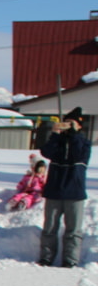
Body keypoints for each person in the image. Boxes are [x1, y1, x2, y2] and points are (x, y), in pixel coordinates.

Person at [38, 107, 91, 268]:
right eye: (66, 123)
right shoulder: (58, 142)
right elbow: (46, 152)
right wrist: (54, 134)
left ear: (79, 126)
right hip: (54, 190)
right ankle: (46, 257)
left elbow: (79, 154)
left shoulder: (83, 142)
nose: (68, 126)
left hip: (74, 192)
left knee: (73, 230)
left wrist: (74, 134)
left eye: (72, 123)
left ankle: (70, 259)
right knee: (49, 228)